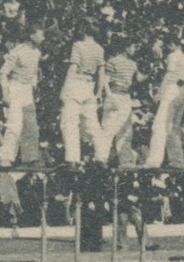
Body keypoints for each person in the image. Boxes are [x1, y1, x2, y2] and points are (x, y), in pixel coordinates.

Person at [0, 25, 44, 165]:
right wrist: (5, 94)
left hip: (27, 90)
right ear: (31, 35)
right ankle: (6, 157)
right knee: (15, 124)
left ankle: (30, 158)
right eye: (40, 34)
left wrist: (34, 87)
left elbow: (34, 72)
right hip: (15, 87)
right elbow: (3, 73)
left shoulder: (37, 53)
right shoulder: (17, 51)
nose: (43, 38)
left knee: (31, 125)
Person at [60, 28, 107, 164]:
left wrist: (64, 88)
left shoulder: (78, 45)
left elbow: (73, 68)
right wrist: (99, 92)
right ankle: (101, 156)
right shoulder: (99, 48)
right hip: (89, 85)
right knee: (92, 124)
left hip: (76, 83)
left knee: (70, 122)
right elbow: (101, 72)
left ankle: (72, 158)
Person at [145, 35, 184, 168]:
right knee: (173, 128)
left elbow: (168, 74)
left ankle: (154, 160)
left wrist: (160, 92)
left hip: (171, 90)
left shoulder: (173, 56)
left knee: (159, 125)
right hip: (181, 91)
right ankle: (177, 160)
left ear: (172, 44)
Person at [100, 38, 140, 164]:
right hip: (114, 95)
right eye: (133, 46)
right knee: (109, 128)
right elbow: (105, 81)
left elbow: (138, 79)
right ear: (126, 47)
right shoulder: (113, 61)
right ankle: (101, 158)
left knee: (126, 130)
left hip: (125, 96)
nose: (135, 49)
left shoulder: (133, 64)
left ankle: (126, 160)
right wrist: (110, 96)